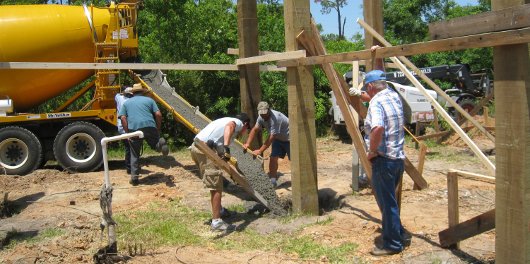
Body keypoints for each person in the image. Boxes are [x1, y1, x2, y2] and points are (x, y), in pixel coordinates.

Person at [362, 67, 408, 255]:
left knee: (387, 203)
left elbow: (378, 127)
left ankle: (392, 245)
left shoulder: (376, 102)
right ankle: (399, 233)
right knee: (391, 202)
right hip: (397, 159)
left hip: (383, 161)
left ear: (372, 86)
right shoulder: (392, 95)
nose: (366, 91)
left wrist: (372, 150)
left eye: (367, 88)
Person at [190, 113, 251, 232]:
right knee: (216, 186)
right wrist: (227, 147)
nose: (244, 132)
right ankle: (216, 222)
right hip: (204, 149)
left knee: (215, 181)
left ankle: (220, 211)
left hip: (196, 148)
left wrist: (232, 172)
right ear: (245, 124)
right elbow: (230, 127)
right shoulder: (236, 122)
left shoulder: (221, 121)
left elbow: (220, 154)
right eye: (246, 130)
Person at [118, 83, 169, 186]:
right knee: (155, 145)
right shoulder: (150, 100)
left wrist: (128, 133)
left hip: (134, 129)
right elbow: (158, 114)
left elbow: (123, 117)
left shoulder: (127, 103)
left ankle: (135, 179)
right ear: (143, 92)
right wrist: (157, 129)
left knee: (134, 154)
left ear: (133, 93)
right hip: (150, 126)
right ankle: (160, 143)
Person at [243, 101, 289, 188]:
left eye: (265, 113)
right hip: (278, 139)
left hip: (289, 138)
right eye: (261, 113)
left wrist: (260, 150)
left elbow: (272, 136)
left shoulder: (276, 117)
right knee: (273, 157)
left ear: (269, 109)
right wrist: (247, 143)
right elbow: (255, 129)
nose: (263, 115)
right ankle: (273, 181)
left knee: (295, 159)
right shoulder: (260, 117)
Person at [115, 86, 133, 174]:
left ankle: (129, 167)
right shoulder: (131, 101)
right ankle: (131, 167)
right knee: (132, 148)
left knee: (127, 148)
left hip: (121, 127)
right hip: (129, 127)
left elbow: (117, 94)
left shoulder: (119, 98)